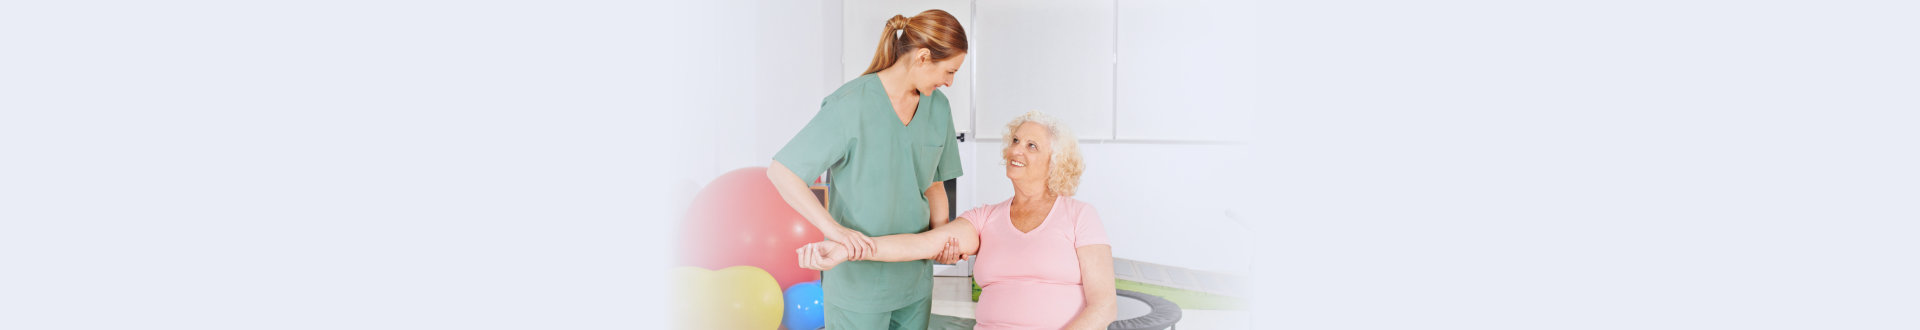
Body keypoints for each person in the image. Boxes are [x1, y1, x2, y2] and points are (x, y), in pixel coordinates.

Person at [798, 112, 1117, 330]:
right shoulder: (986, 218)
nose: (1015, 150)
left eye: (1031, 145)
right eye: (1015, 140)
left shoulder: (1079, 215)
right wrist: (848, 248)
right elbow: (922, 244)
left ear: (1055, 161)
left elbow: (1103, 306)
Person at [765, 9, 969, 330]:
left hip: (914, 281)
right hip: (858, 286)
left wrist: (943, 238)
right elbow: (782, 172)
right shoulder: (851, 104)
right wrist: (837, 232)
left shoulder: (939, 108)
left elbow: (934, 184)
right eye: (949, 71)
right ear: (923, 57)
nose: (950, 82)